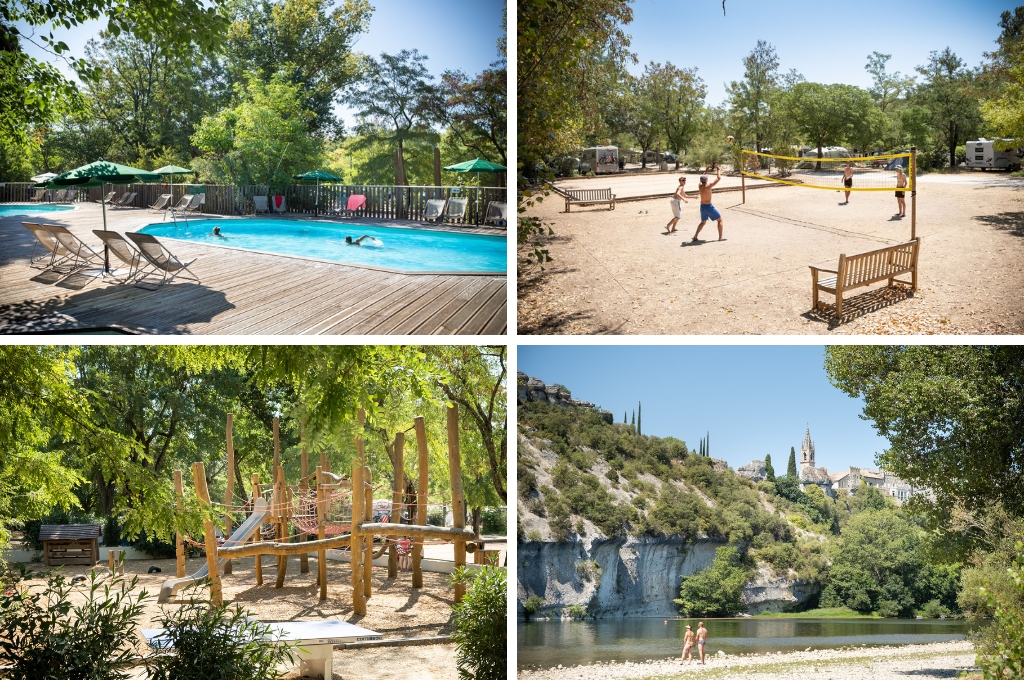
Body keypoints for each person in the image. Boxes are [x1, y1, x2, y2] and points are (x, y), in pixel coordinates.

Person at [691, 166, 724, 242]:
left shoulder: (700, 185)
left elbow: (702, 178)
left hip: (702, 206)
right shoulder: (708, 186)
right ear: (706, 180)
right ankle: (720, 237)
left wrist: (706, 171)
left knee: (703, 222)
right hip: (709, 206)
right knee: (720, 220)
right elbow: (718, 178)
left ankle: (695, 236)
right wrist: (718, 170)